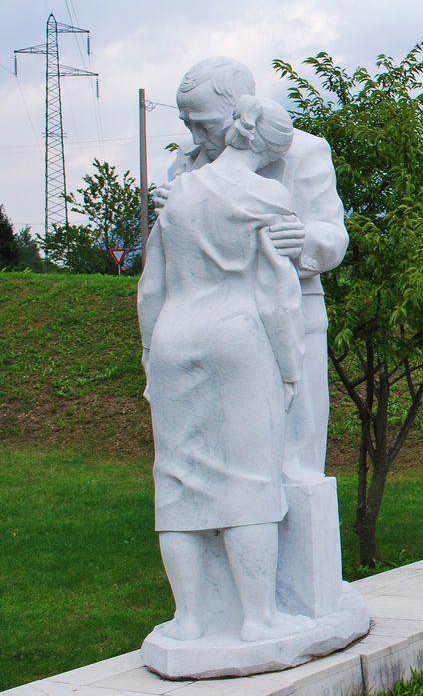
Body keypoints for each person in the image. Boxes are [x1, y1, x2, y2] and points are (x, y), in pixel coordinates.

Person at [139, 96, 314, 643]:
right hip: (237, 337)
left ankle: (188, 618)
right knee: (250, 479)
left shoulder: (177, 194)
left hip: (174, 333)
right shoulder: (267, 194)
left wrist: (151, 353)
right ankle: (258, 618)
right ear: (264, 146)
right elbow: (278, 293)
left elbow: (152, 284)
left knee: (177, 477)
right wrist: (290, 368)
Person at [164, 57, 347, 482]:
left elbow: (333, 235)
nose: (195, 136)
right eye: (187, 123)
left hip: (290, 323)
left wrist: (303, 240)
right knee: (213, 456)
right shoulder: (189, 163)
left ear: (239, 112)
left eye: (204, 125)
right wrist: (170, 215)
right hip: (209, 329)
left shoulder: (302, 151)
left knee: (293, 464)